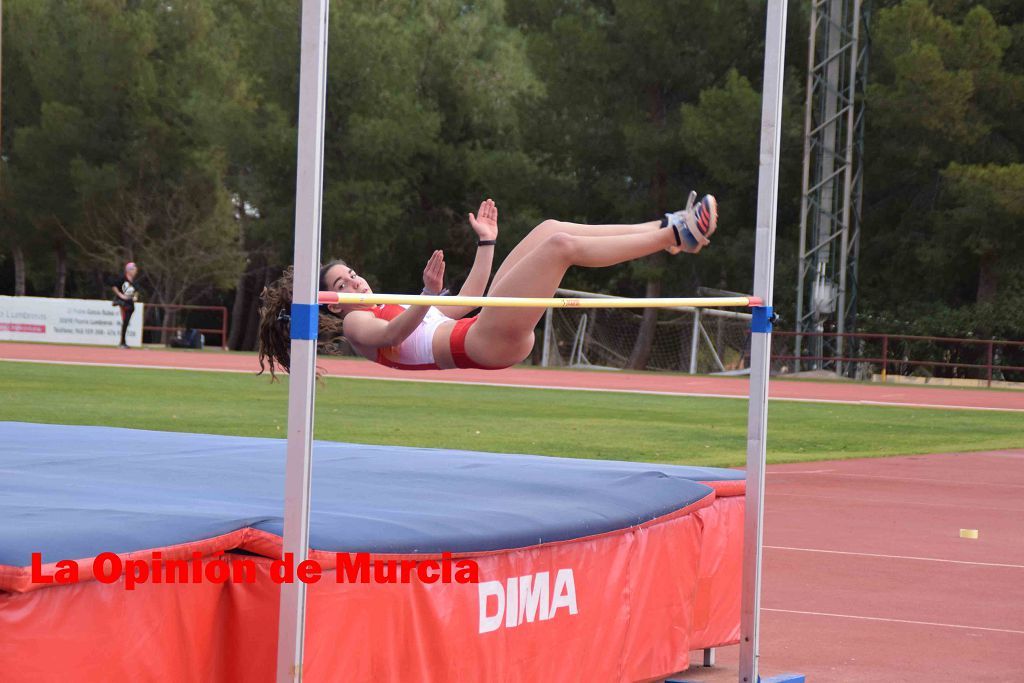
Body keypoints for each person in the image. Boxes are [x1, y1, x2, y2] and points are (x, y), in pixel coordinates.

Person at [257, 194, 718, 376]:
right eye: (343, 283)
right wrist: (426, 295)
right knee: (559, 246)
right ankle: (676, 235)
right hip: (480, 343)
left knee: (549, 227)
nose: (355, 280)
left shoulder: (388, 304)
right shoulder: (360, 323)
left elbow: (467, 302)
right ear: (334, 305)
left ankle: (665, 230)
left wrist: (488, 244)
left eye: (351, 273)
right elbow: (394, 337)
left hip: (478, 326)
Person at [111, 262, 139, 348]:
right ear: (128, 270)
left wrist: (135, 297)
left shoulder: (133, 281)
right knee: (125, 322)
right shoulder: (123, 278)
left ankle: (123, 342)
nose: (135, 271)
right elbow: (114, 286)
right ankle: (122, 342)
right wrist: (120, 295)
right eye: (133, 269)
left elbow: (136, 292)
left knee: (126, 322)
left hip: (130, 304)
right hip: (124, 303)